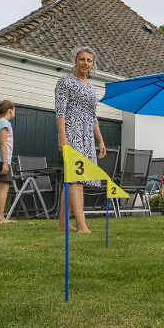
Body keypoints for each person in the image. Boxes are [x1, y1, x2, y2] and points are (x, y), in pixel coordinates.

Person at [55, 46, 106, 233]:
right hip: (71, 131)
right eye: (82, 59)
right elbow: (60, 112)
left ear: (93, 64)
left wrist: (100, 140)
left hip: (87, 136)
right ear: (75, 61)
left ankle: (62, 223)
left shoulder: (92, 88)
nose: (86, 63)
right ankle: (81, 223)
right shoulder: (65, 82)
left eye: (89, 61)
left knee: (75, 179)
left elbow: (93, 117)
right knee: (76, 177)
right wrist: (62, 137)